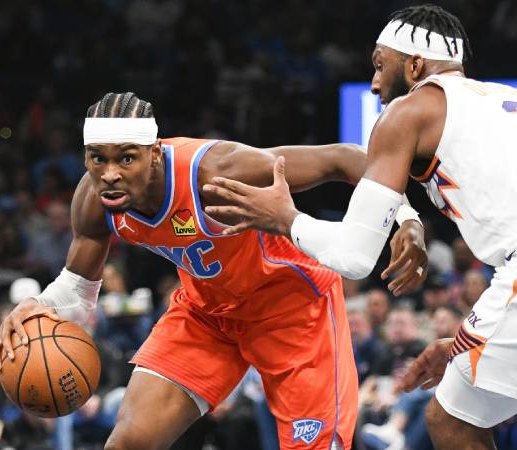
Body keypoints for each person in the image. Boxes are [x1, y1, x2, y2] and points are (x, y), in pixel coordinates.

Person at [0, 92, 425, 450]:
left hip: (291, 311)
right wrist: (38, 306)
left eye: (126, 159)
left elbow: (343, 159)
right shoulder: (93, 197)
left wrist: (406, 218)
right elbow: (78, 291)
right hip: (208, 314)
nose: (110, 174)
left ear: (155, 154)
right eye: (97, 159)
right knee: (128, 443)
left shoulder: (215, 170)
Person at [203, 4, 517, 449]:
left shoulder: (407, 112)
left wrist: (283, 218)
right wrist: (410, 223)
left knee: (453, 420)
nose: (373, 83)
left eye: (378, 64)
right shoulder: (498, 100)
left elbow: (353, 257)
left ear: (413, 65)